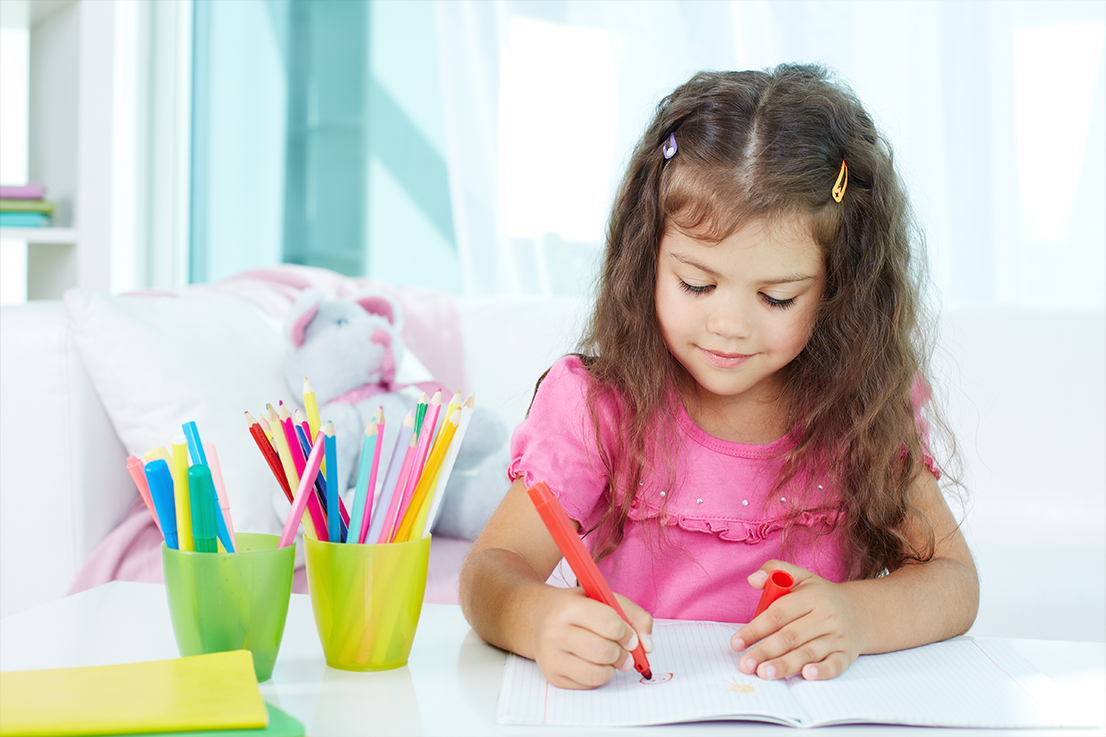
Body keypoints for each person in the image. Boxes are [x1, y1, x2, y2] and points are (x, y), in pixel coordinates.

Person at [459, 64, 979, 690]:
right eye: (697, 284)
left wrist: (858, 617)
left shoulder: (860, 408)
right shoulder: (599, 409)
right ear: (646, 256)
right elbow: (490, 570)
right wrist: (535, 617)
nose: (728, 325)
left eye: (777, 298)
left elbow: (953, 582)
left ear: (838, 289)